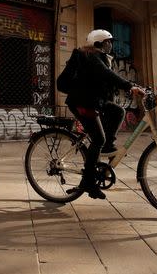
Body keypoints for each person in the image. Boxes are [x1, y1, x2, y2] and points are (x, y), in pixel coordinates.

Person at [61, 29, 144, 200]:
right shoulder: (91, 56)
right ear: (98, 44)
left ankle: (108, 146)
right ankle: (88, 182)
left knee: (118, 111)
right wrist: (129, 86)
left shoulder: (101, 58)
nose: (110, 45)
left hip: (93, 100)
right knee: (98, 138)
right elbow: (106, 74)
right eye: (107, 42)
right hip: (82, 102)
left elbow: (105, 82)